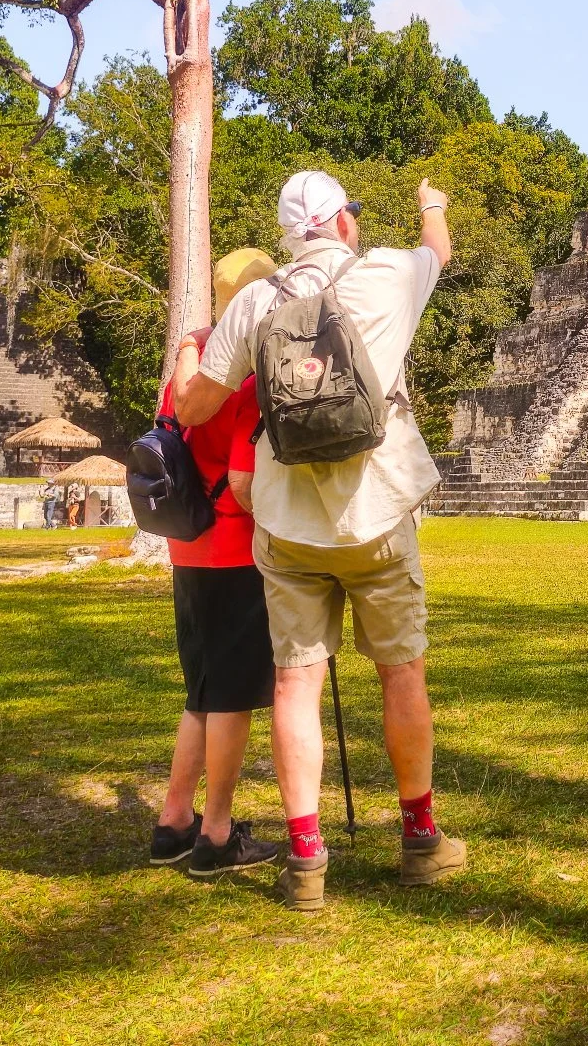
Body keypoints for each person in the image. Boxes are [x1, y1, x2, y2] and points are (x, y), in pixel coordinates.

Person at [176, 170, 463, 912]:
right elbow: (440, 247)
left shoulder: (254, 304)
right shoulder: (387, 278)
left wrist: (196, 347)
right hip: (375, 512)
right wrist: (431, 204)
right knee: (402, 673)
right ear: (342, 224)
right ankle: (421, 836)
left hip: (288, 523)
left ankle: (306, 856)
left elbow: (195, 404)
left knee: (295, 684)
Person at [152, 247, 284, 877]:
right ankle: (216, 831)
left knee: (201, 691)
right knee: (231, 697)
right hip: (235, 547)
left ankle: (174, 819)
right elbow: (242, 479)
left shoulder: (188, 364)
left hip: (186, 543)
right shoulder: (251, 372)